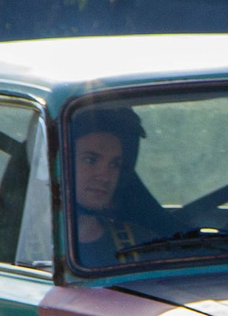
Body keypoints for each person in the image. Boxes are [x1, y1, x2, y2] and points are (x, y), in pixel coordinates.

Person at [66, 104, 162, 268]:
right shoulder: (20, 245)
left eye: (114, 165)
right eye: (90, 160)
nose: (104, 176)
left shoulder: (142, 246)